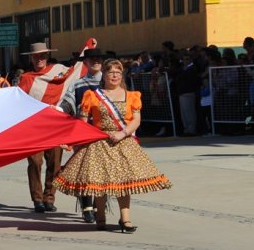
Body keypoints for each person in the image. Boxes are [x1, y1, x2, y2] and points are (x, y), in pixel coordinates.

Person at [53, 59, 172, 232]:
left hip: (123, 142)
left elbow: (136, 120)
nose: (114, 75)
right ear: (104, 75)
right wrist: (72, 141)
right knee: (100, 182)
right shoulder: (92, 96)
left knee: (124, 182)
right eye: (110, 72)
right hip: (99, 142)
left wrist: (123, 133)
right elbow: (83, 124)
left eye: (118, 71)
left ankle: (125, 219)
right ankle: (100, 216)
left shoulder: (132, 96)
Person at [18, 40, 94, 213]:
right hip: (33, 128)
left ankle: (49, 198)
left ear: (47, 56)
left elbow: (76, 71)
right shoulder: (26, 78)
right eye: (36, 56)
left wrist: (87, 49)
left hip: (55, 126)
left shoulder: (59, 71)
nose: (40, 59)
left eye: (43, 56)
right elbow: (18, 102)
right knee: (35, 163)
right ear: (31, 58)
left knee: (55, 164)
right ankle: (37, 199)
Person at [58, 48, 105, 223]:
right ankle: (87, 208)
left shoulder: (108, 82)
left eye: (99, 59)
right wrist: (58, 110)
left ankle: (98, 206)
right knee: (86, 171)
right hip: (84, 131)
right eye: (92, 59)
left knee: (101, 171)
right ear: (85, 63)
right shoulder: (77, 84)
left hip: (104, 132)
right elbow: (68, 103)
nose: (96, 61)